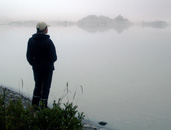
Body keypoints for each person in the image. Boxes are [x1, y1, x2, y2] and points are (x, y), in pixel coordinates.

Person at [26, 22, 57, 108]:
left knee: (37, 86)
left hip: (36, 68)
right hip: (47, 68)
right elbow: (54, 57)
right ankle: (43, 107)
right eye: (47, 28)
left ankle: (34, 106)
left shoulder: (31, 40)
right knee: (46, 88)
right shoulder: (48, 42)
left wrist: (34, 64)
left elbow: (29, 56)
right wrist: (48, 63)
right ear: (44, 29)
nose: (48, 29)